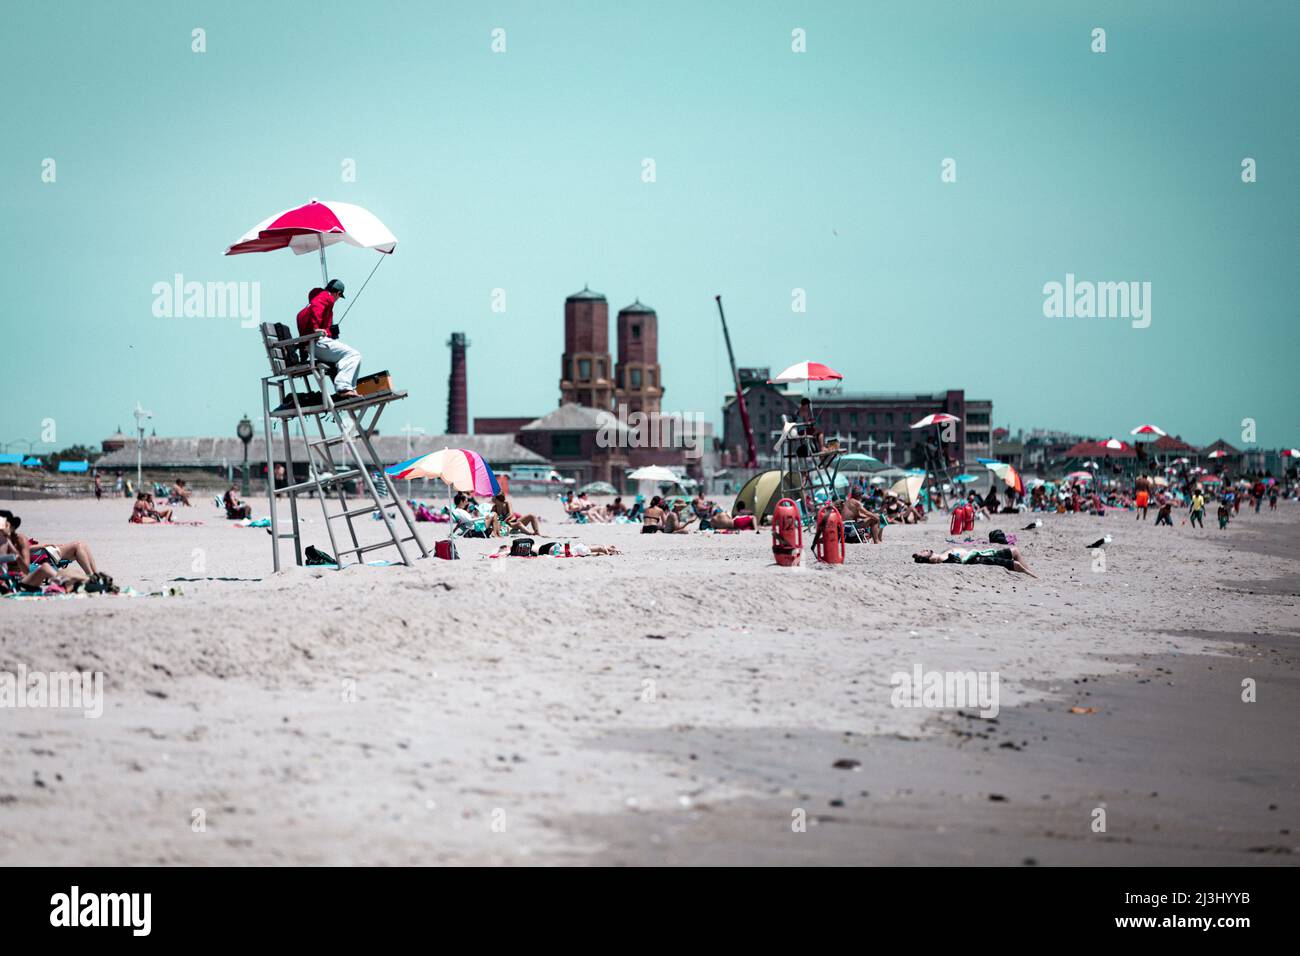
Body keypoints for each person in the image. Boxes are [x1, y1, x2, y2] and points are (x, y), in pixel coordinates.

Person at [296, 278, 362, 402]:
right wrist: (316, 328)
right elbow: (317, 308)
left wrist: (329, 332)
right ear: (337, 293)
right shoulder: (326, 297)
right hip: (317, 342)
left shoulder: (309, 306)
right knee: (354, 355)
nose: (337, 299)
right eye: (339, 296)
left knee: (346, 356)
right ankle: (344, 387)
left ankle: (349, 388)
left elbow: (318, 323)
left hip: (313, 344)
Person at [912, 545, 1036, 577]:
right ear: (926, 558)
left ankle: (1029, 573)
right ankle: (1033, 576)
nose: (923, 549)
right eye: (922, 552)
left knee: (1015, 551)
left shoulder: (942, 554)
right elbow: (961, 561)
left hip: (980, 553)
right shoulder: (942, 560)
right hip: (979, 559)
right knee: (1016, 564)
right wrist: (918, 556)